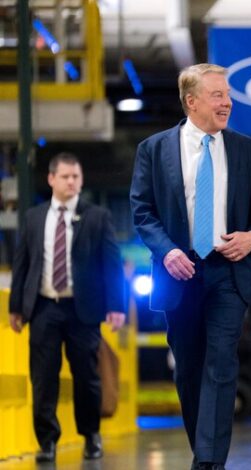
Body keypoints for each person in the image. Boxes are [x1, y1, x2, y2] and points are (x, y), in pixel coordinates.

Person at [129, 63, 251, 470]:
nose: (227, 103)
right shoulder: (154, 149)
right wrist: (166, 251)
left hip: (229, 272)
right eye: (217, 95)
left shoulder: (246, 149)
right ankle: (203, 451)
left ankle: (209, 462)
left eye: (228, 95)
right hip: (179, 272)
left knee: (221, 362)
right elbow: (142, 211)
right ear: (191, 101)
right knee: (189, 369)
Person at [9, 152, 126, 463]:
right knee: (43, 378)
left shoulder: (97, 216)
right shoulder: (34, 218)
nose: (71, 182)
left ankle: (91, 436)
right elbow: (22, 264)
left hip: (83, 310)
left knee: (87, 376)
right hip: (43, 308)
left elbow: (112, 264)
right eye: (65, 176)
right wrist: (16, 306)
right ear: (51, 179)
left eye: (76, 176)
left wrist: (116, 305)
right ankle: (47, 442)